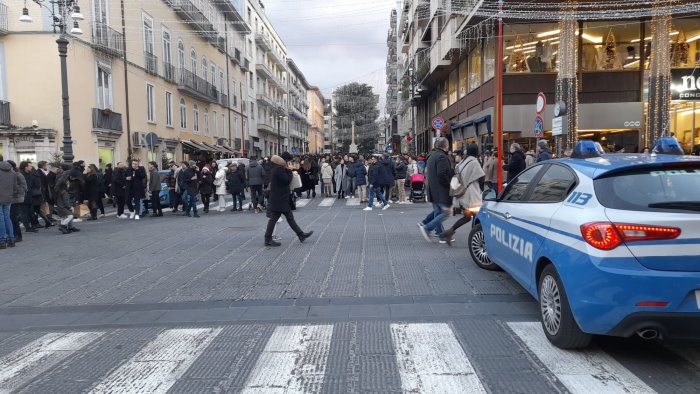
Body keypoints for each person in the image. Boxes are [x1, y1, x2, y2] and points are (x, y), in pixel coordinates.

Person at [264, 153, 313, 247]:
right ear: (285, 161)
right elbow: (286, 180)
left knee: (284, 218)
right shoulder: (278, 169)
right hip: (279, 199)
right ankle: (268, 239)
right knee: (276, 219)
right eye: (289, 161)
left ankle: (300, 235)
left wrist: (288, 170)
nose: (290, 163)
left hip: (279, 198)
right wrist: (290, 171)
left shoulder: (277, 169)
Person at [442, 144, 485, 246]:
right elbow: (481, 177)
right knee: (477, 216)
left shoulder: (462, 162)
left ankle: (449, 232)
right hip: (471, 195)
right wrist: (482, 189)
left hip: (462, 194)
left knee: (467, 217)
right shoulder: (474, 162)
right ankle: (476, 239)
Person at [418, 138, 454, 243]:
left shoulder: (431, 156)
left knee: (438, 212)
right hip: (441, 190)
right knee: (447, 212)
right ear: (445, 146)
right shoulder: (442, 157)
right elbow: (442, 174)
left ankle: (441, 235)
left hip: (432, 189)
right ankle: (427, 227)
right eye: (448, 145)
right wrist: (450, 186)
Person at [54, 169, 81, 234]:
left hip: (62, 202)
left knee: (64, 216)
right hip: (64, 203)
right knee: (70, 215)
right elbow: (66, 201)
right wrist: (69, 207)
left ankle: (65, 227)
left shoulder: (63, 190)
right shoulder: (63, 185)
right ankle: (63, 226)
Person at [0, 155, 17, 248]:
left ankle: (2, 241)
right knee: (7, 217)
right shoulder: (12, 171)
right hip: (8, 198)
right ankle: (11, 239)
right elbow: (15, 186)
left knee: (1, 219)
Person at [8, 161, 27, 242]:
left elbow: (24, 187)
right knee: (13, 217)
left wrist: (14, 191)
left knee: (13, 218)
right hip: (11, 198)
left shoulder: (17, 174)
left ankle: (18, 235)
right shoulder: (12, 174)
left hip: (16, 199)